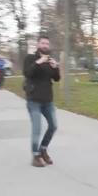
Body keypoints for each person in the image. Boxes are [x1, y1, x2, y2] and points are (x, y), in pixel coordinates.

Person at [23, 36, 61, 168]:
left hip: (48, 100)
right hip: (33, 100)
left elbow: (56, 79)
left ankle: (43, 149)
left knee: (53, 126)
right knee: (37, 128)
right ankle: (35, 155)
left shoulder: (50, 60)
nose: (45, 45)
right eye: (43, 43)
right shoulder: (30, 58)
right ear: (38, 45)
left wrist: (55, 67)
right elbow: (27, 73)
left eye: (47, 44)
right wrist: (39, 61)